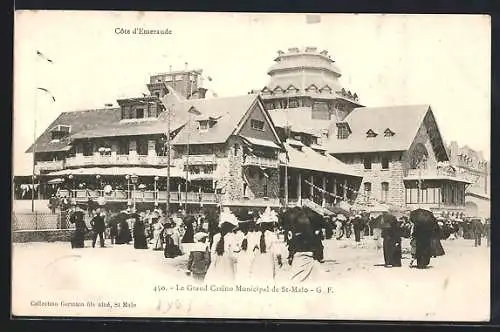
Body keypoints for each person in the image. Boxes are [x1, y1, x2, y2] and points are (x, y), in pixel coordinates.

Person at [287, 207, 325, 283]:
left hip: (297, 261)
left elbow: (291, 249)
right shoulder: (313, 236)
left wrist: (290, 257)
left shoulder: (295, 236)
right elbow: (320, 251)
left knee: (296, 281)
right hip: (310, 260)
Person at [204, 208, 239, 283]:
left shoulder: (216, 236)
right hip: (227, 259)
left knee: (216, 276)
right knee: (227, 277)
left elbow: (212, 250)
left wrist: (213, 260)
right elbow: (234, 249)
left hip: (217, 258)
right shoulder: (231, 236)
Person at [249, 208, 283, 282]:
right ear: (271, 224)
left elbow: (252, 248)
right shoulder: (272, 235)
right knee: (268, 278)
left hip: (258, 259)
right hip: (268, 259)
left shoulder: (256, 235)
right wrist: (280, 260)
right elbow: (278, 251)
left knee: (257, 278)